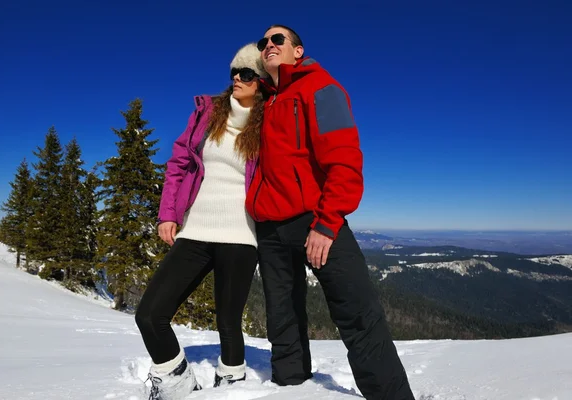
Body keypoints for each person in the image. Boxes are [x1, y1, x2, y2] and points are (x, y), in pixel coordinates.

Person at [245, 25, 416, 399]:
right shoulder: (268, 101)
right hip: (271, 229)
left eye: (277, 40)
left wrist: (326, 222)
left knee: (357, 313)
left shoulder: (320, 87)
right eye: (262, 43)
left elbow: (345, 160)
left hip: (315, 220)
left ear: (298, 51)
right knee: (282, 316)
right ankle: (291, 388)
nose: (268, 46)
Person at [134, 43, 268, 400]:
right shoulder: (207, 115)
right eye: (234, 73)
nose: (237, 79)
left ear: (263, 83)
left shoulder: (271, 125)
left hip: (241, 236)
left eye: (247, 74)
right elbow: (178, 164)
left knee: (228, 324)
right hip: (195, 231)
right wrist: (168, 214)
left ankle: (230, 387)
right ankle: (179, 385)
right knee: (149, 314)